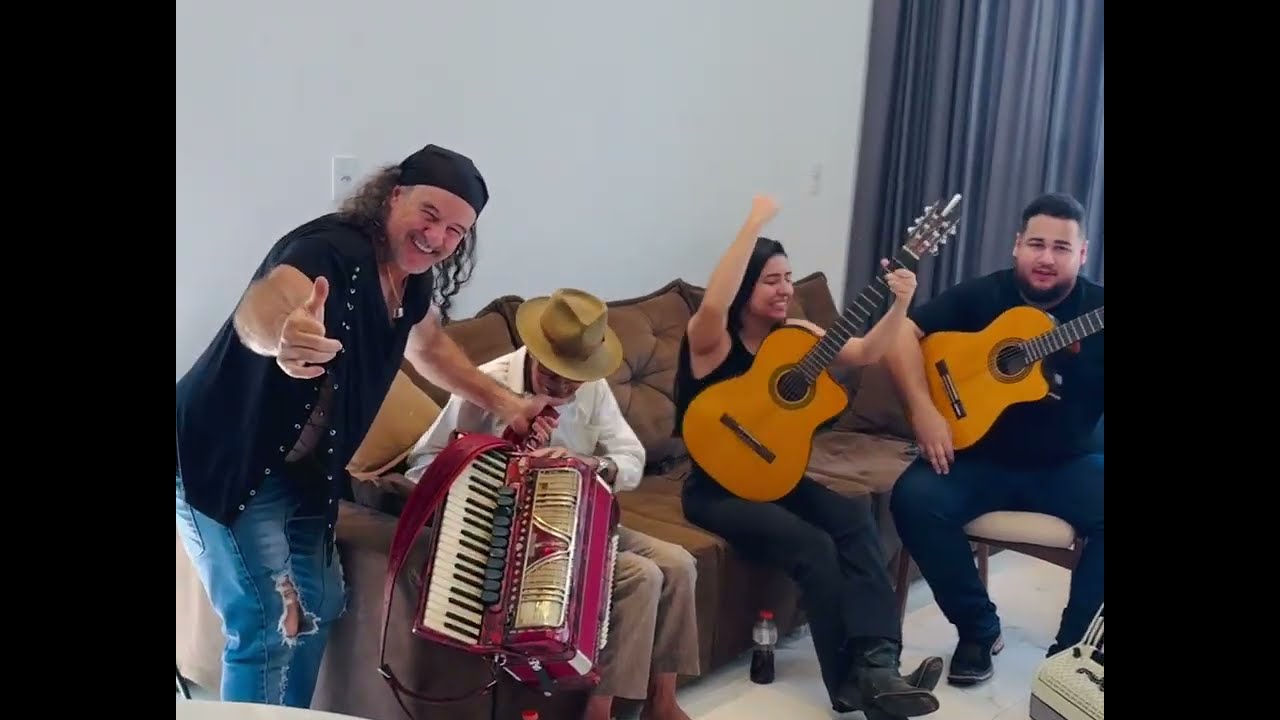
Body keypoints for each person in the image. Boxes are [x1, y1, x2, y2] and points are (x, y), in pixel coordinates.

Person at [175, 144, 559, 708]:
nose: (436, 237)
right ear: (394, 196)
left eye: (455, 231)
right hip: (224, 457)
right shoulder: (330, 249)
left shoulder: (412, 279)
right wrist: (283, 335)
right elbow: (264, 304)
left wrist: (509, 405)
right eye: (429, 214)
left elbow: (429, 349)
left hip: (305, 474)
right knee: (264, 624)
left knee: (320, 602)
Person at [673, 196, 944, 718]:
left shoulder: (796, 338)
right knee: (813, 545)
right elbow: (713, 303)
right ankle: (847, 686)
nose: (786, 289)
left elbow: (865, 353)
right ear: (745, 287)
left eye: (789, 278)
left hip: (775, 474)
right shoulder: (712, 340)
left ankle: (879, 664)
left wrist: (901, 305)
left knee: (854, 517)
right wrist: (754, 221)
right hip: (715, 488)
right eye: (771, 280)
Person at [404, 288, 701, 720]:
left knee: (679, 564)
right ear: (534, 352)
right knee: (642, 576)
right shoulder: (487, 384)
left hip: (582, 518)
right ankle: (598, 711)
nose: (563, 387)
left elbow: (631, 457)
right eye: (552, 375)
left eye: (572, 378)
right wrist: (501, 466)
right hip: (514, 531)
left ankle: (662, 702)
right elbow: (422, 465)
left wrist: (592, 465)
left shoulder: (592, 387)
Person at [883, 192, 1104, 687]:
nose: (1046, 258)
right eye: (1037, 244)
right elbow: (900, 335)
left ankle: (1072, 655)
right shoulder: (983, 295)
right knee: (914, 498)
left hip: (1065, 465)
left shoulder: (1098, 310)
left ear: (1082, 254)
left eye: (1061, 248)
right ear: (1017, 245)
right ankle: (978, 630)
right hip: (976, 458)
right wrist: (924, 410)